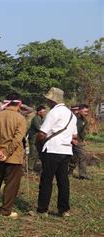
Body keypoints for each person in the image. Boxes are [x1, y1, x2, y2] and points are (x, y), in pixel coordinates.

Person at [32, 87, 78, 217]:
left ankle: (42, 210)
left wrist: (38, 144)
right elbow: (75, 136)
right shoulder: (71, 115)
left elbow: (42, 133)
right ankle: (64, 210)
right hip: (66, 150)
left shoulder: (53, 113)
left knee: (46, 180)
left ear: (53, 100)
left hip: (52, 149)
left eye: (48, 99)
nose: (47, 101)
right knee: (63, 181)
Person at [0, 93, 26, 218]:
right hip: (13, 157)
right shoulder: (20, 118)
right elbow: (18, 139)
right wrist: (6, 153)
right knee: (11, 184)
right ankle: (6, 210)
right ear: (19, 104)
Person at [69, 104, 90, 180]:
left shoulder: (84, 120)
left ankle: (69, 172)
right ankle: (83, 175)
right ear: (79, 110)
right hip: (72, 140)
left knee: (74, 157)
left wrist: (83, 139)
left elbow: (82, 132)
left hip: (78, 141)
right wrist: (72, 140)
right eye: (85, 111)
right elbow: (68, 130)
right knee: (83, 155)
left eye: (87, 112)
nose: (86, 113)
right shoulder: (73, 119)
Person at [27, 106, 47, 172]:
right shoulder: (35, 119)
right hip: (33, 139)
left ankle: (33, 168)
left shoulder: (42, 118)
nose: (44, 113)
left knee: (37, 154)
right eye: (43, 112)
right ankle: (30, 169)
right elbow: (40, 128)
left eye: (45, 111)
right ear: (39, 112)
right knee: (33, 154)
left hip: (38, 139)